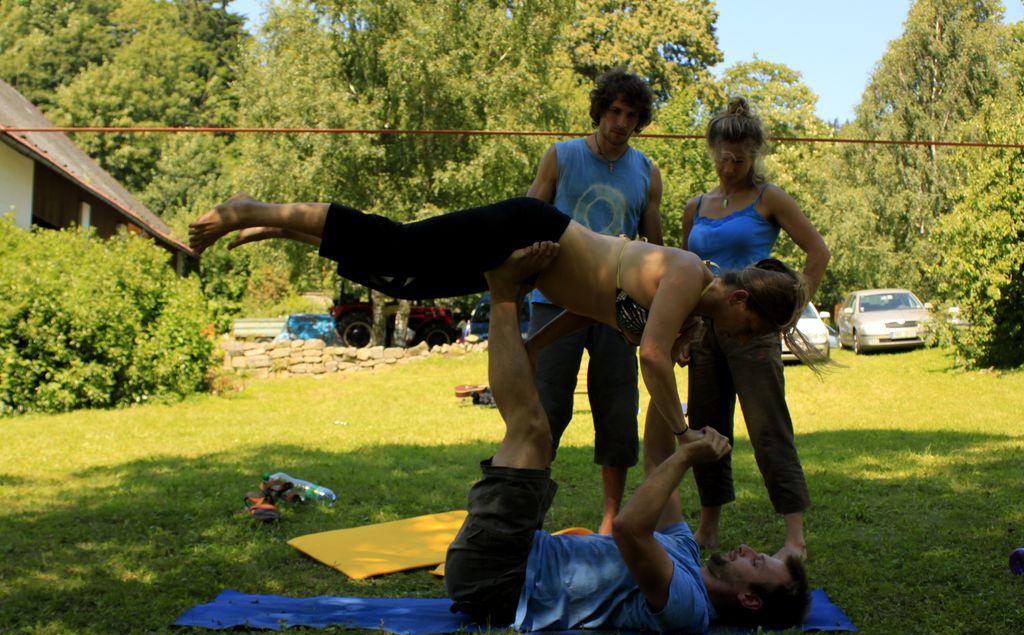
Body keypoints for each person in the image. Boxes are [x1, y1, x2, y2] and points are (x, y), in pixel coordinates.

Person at [189, 191, 812, 457]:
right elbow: (649, 359)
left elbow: (589, 306)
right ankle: (258, 208)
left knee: (403, 278)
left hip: (533, 256)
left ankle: (284, 225)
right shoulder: (683, 272)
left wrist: (536, 344)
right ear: (741, 303)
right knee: (401, 248)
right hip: (525, 231)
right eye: (751, 329)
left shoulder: (683, 300)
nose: (741, 341)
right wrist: (683, 431)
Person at [443, 245, 810, 633]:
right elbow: (655, 458)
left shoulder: (687, 606)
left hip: (498, 574)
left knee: (532, 432)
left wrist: (686, 454)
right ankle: (510, 302)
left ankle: (502, 293)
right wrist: (670, 362)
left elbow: (629, 528)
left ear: (750, 599)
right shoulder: (684, 550)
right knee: (532, 431)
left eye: (755, 563)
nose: (747, 550)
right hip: (521, 550)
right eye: (759, 555)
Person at [681, 96, 831, 561]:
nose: (728, 168)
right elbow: (686, 271)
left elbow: (817, 252)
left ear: (755, 155)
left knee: (768, 429)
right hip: (706, 331)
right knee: (705, 427)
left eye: (739, 159)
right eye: (721, 158)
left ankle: (795, 538)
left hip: (752, 331)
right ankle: (708, 526)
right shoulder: (696, 206)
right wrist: (683, 330)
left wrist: (788, 308)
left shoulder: (769, 199)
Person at [526, 68, 663, 534]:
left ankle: (610, 522)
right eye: (614, 110)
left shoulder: (647, 171)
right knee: (544, 411)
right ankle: (528, 515)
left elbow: (656, 249)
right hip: (555, 298)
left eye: (631, 114)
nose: (621, 121)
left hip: (616, 309)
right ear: (600, 109)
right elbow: (526, 220)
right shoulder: (561, 157)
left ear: (640, 121)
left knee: (618, 412)